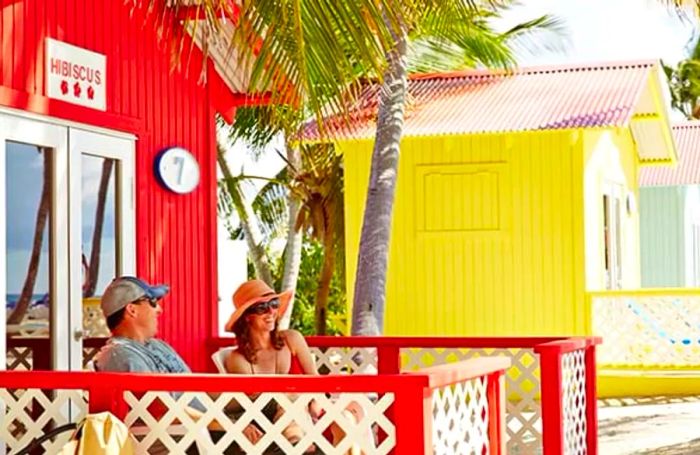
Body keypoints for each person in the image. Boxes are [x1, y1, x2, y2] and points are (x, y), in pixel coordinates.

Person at [224, 280, 368, 455]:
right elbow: (244, 405)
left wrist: (315, 405)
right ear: (247, 316)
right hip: (269, 424)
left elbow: (315, 380)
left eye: (274, 304)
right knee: (290, 398)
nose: (271, 312)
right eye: (262, 308)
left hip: (305, 412)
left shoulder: (291, 339)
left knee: (351, 415)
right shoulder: (238, 359)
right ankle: (298, 444)